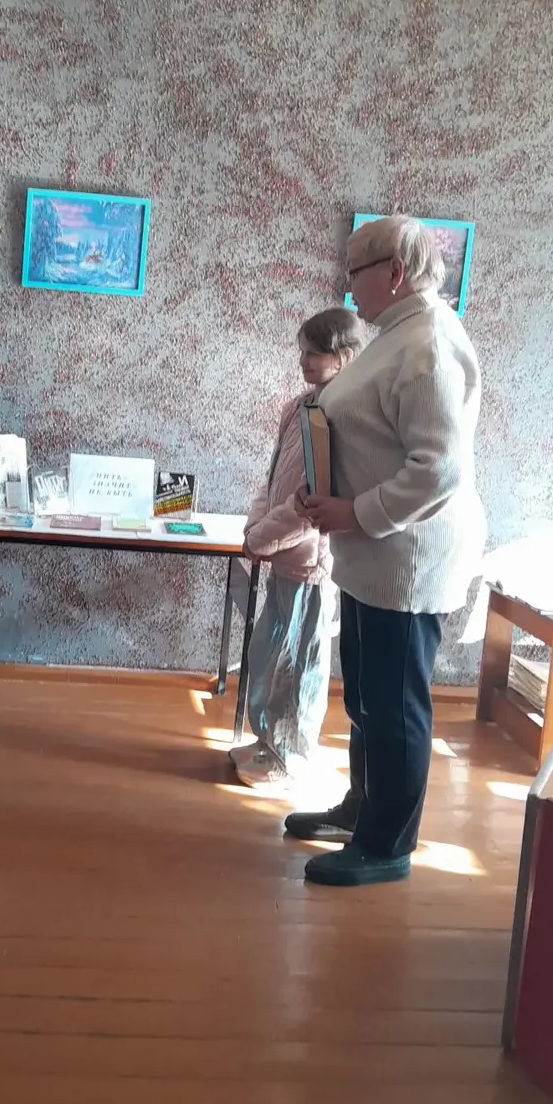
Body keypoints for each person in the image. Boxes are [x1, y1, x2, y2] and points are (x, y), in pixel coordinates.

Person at [289, 216, 485, 888]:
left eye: (355, 272)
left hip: (407, 560)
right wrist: (327, 494)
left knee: (395, 705)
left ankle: (387, 843)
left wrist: (354, 511)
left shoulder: (428, 344)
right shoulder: (395, 335)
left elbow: (439, 471)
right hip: (372, 555)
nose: (348, 288)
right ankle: (362, 808)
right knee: (368, 697)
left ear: (395, 273)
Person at [231, 307, 365, 792]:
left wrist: (260, 539)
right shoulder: (301, 406)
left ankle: (289, 757)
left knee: (297, 662)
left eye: (314, 353)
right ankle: (267, 742)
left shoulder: (342, 416)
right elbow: (273, 481)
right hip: (280, 555)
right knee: (270, 654)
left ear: (343, 356)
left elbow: (312, 503)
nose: (303, 361)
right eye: (302, 351)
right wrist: (256, 528)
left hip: (309, 565)